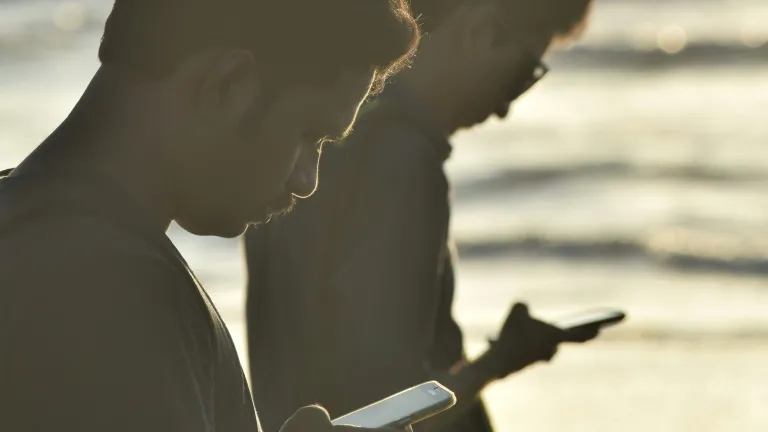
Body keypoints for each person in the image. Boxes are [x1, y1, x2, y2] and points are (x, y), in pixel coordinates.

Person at [0, 1, 419, 431]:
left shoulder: (26, 225)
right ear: (229, 85)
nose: (306, 180)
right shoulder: (114, 290)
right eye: (309, 134)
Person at [244, 1, 597, 432]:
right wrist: (499, 361)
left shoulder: (305, 150)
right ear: (480, 30)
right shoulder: (401, 160)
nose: (507, 107)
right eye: (523, 75)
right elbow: (389, 402)